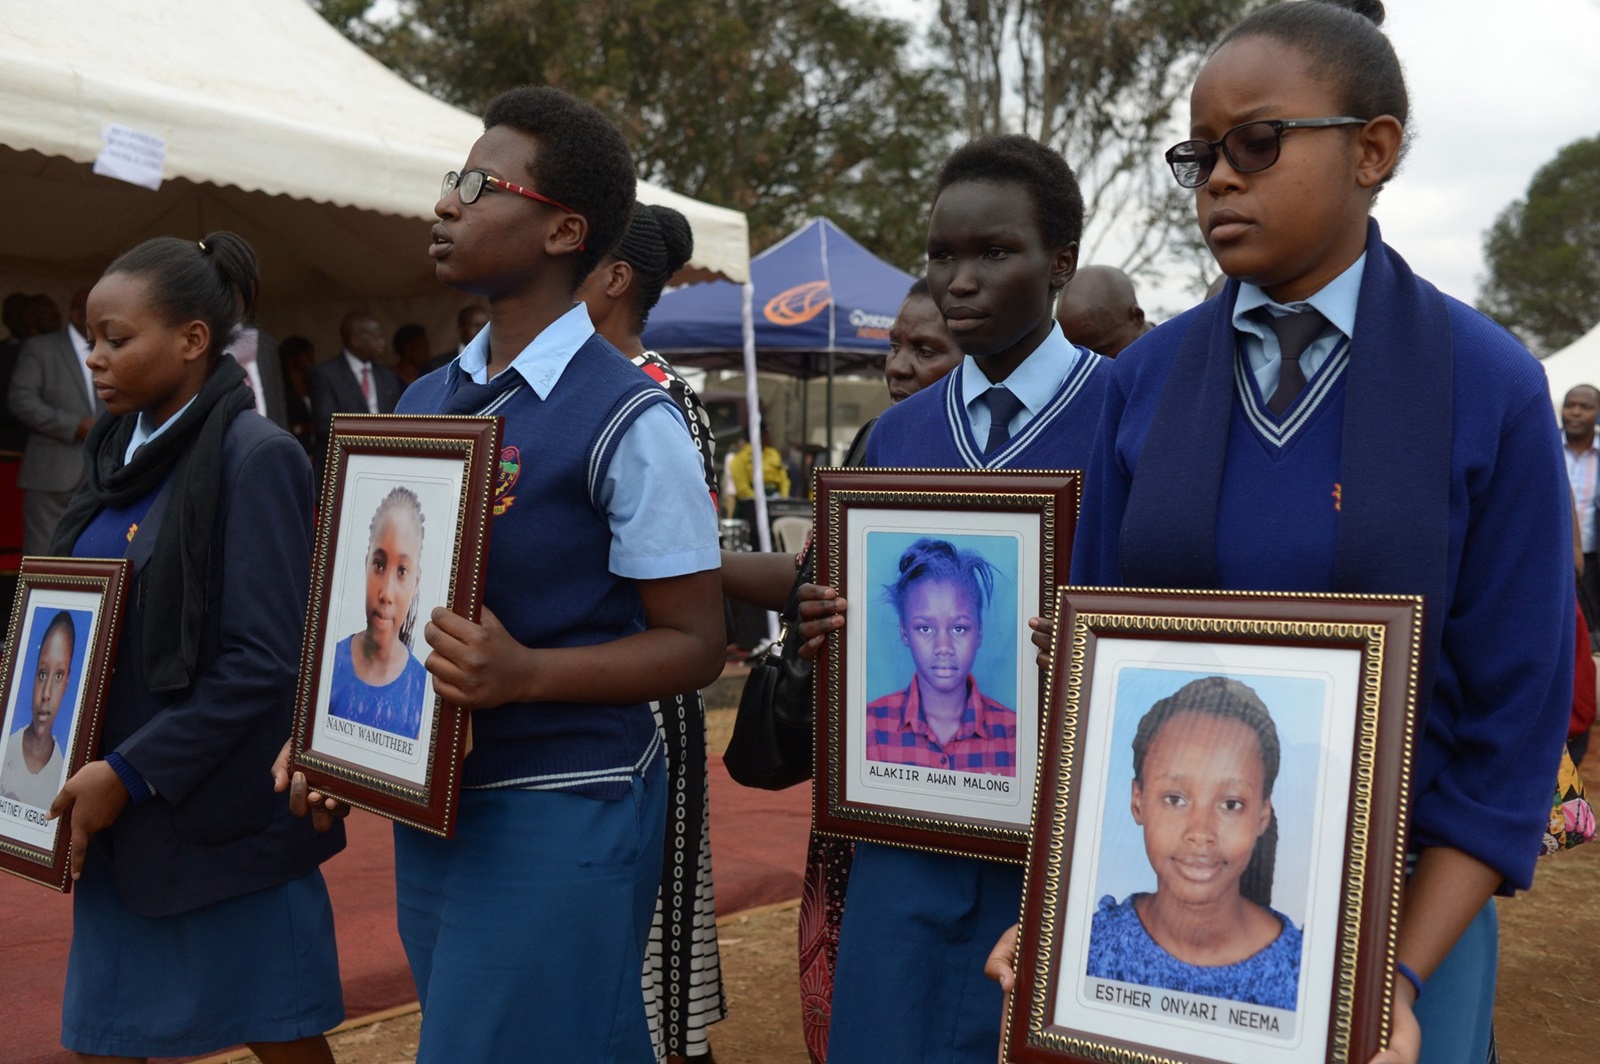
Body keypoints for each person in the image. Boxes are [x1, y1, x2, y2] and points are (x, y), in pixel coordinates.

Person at [988, 5, 1572, 1063]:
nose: (1217, 177)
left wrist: (1385, 974)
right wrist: (1066, 908)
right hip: (1163, 939)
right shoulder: (1146, 382)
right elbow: (1096, 681)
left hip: (1410, 931)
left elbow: (1512, 721)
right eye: (1198, 154)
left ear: (1372, 148)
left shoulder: (1487, 384)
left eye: (1253, 143)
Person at [281, 85, 725, 1064]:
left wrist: (527, 674)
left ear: (564, 229)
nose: (446, 203)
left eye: (478, 185)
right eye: (452, 180)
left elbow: (695, 643)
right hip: (436, 806)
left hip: (565, 798)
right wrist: (326, 727)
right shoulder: (428, 394)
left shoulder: (630, 419)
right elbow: (380, 595)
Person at [798, 133, 1108, 1064]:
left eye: (993, 253)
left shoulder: (1132, 414)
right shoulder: (896, 437)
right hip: (909, 832)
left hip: (1058, 842)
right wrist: (825, 620)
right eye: (941, 256)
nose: (958, 280)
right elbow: (852, 599)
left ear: (1061, 263)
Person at [46, 230, 344, 1063]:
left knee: (280, 1038)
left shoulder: (258, 459)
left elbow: (267, 662)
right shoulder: (114, 460)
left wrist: (131, 772)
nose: (96, 358)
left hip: (218, 826)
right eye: (90, 339)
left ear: (192, 340)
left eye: (116, 338)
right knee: (104, 1042)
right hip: (120, 832)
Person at [719, 275, 963, 1064]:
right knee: (858, 993)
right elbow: (810, 574)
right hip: (860, 780)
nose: (897, 365)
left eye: (925, 349)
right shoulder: (876, 447)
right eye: (894, 344)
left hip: (966, 781)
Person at [576, 201, 725, 1063]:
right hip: (585, 688)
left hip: (649, 700)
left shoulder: (662, 403)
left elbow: (676, 586)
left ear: (611, 280)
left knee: (658, 947)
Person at [1088, 676, 1301, 1011]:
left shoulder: (1306, 976)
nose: (1201, 832)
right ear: (1137, 800)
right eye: (1175, 799)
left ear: (1262, 814)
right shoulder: (1083, 949)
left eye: (1230, 804)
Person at [866, 537, 1015, 776]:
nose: (943, 647)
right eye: (925, 628)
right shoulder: (868, 727)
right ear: (904, 632)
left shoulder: (1016, 735)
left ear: (979, 632)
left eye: (959, 628)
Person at [327, 486, 429, 741]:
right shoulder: (327, 667)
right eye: (379, 564)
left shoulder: (425, 691)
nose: (386, 593)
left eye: (402, 571)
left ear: (416, 581)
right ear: (366, 564)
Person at [8, 287, 102, 555]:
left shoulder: (112, 348)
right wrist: (75, 425)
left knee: (93, 557)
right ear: (74, 313)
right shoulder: (40, 348)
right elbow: (21, 400)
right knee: (44, 556)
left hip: (101, 474)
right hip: (52, 475)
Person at [308, 310, 403, 472]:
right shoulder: (326, 374)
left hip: (385, 463)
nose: (383, 342)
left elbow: (399, 417)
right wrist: (372, 440)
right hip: (342, 465)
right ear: (355, 340)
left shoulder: (387, 375)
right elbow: (327, 425)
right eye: (377, 337)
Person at [1, 610, 76, 808]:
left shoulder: (65, 774)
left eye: (58, 676)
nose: (46, 694)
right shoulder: (5, 748)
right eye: (43, 674)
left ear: (67, 682)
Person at [1562, 384, 1600, 627]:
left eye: (1584, 407)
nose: (1575, 412)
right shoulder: (1545, 447)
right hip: (1552, 558)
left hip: (1593, 565)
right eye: (1569, 405)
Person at [1054, 264, 1152, 358]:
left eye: (1101, 351)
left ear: (1136, 317)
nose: (1090, 363)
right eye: (1077, 355)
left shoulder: (1166, 365)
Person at [726, 426, 790, 526]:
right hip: (751, 510)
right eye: (766, 433)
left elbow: (784, 480)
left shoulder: (773, 454)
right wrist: (762, 501)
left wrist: (782, 499)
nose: (769, 436)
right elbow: (742, 489)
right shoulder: (739, 459)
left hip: (776, 505)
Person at [424, 304, 490, 374]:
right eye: (475, 325)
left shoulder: (497, 361)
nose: (481, 330)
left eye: (485, 326)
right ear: (460, 328)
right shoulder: (437, 364)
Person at [391, 323, 433, 387]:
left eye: (427, 348)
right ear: (407, 348)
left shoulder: (429, 374)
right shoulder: (389, 377)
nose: (427, 352)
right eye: (422, 348)